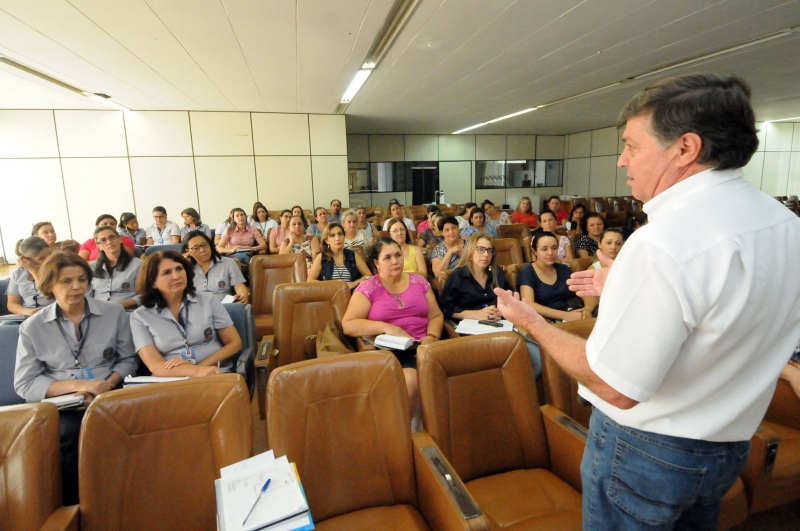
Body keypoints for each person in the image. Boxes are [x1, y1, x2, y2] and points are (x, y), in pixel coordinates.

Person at [497, 73, 800, 530]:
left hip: (649, 454)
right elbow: (723, 309)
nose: (622, 160)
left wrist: (532, 323)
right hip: (729, 447)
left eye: (632, 146)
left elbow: (613, 385)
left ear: (685, 148)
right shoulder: (784, 224)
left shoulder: (665, 240)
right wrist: (625, 286)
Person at [14, 252, 136, 505]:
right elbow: (25, 383)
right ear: (49, 285)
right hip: (65, 401)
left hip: (110, 392)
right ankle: (78, 508)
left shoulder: (113, 313)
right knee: (68, 434)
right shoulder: (33, 327)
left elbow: (128, 360)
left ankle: (128, 500)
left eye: (82, 279)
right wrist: (78, 386)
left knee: (129, 427)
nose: (77, 287)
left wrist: (106, 385)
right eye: (66, 281)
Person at [342, 238, 443, 424]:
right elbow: (349, 324)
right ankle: (401, 431)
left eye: (398, 255)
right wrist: (387, 327)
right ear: (376, 263)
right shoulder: (369, 287)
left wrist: (432, 336)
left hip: (423, 345)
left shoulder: (419, 281)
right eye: (387, 258)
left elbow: (436, 316)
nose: (395, 261)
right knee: (411, 380)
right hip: (390, 349)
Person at [439, 232, 542, 377]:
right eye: (481, 249)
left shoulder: (496, 273)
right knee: (510, 357)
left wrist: (502, 311)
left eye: (489, 250)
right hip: (472, 333)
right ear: (471, 252)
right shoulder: (458, 276)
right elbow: (445, 307)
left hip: (501, 327)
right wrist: (475, 314)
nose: (486, 254)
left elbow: (510, 299)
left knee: (538, 356)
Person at [130, 251, 242, 377]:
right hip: (172, 379)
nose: (176, 276)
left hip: (214, 373)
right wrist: (195, 371)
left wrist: (200, 369)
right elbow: (155, 365)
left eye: (179, 269)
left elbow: (234, 343)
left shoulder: (208, 300)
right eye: (167, 273)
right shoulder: (139, 316)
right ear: (152, 283)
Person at [518, 231, 595, 322]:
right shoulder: (527, 271)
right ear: (535, 251)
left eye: (554, 248)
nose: (550, 252)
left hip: (574, 313)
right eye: (544, 249)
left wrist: (587, 310)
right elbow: (529, 304)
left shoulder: (564, 269)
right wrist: (565, 316)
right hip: (546, 320)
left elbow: (587, 293)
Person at [183, 231, 248, 304]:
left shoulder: (228, 263)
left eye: (204, 245)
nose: (202, 250)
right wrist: (182, 264)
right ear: (187, 251)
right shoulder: (185, 269)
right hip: (196, 308)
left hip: (223, 307)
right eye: (196, 248)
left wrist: (242, 294)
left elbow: (239, 285)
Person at [88, 226, 143, 309]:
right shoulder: (91, 268)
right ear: (98, 246)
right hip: (97, 312)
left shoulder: (138, 265)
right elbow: (86, 297)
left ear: (120, 239)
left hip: (127, 311)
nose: (109, 242)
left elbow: (145, 295)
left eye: (112, 237)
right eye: (103, 240)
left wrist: (117, 306)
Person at [308, 223, 371, 289]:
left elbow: (369, 275)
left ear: (344, 237)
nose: (337, 238)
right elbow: (310, 281)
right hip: (330, 294)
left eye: (340, 234)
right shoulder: (321, 257)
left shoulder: (353, 255)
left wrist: (355, 283)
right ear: (327, 240)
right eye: (332, 235)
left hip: (351, 293)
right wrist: (333, 286)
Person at [7, 237, 54, 315]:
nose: (48, 260)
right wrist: (28, 311)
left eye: (50, 254)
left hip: (51, 313)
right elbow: (12, 304)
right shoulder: (18, 273)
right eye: (41, 258)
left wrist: (33, 270)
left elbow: (49, 295)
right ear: (25, 258)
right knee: (5, 322)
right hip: (27, 315)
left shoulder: (59, 269)